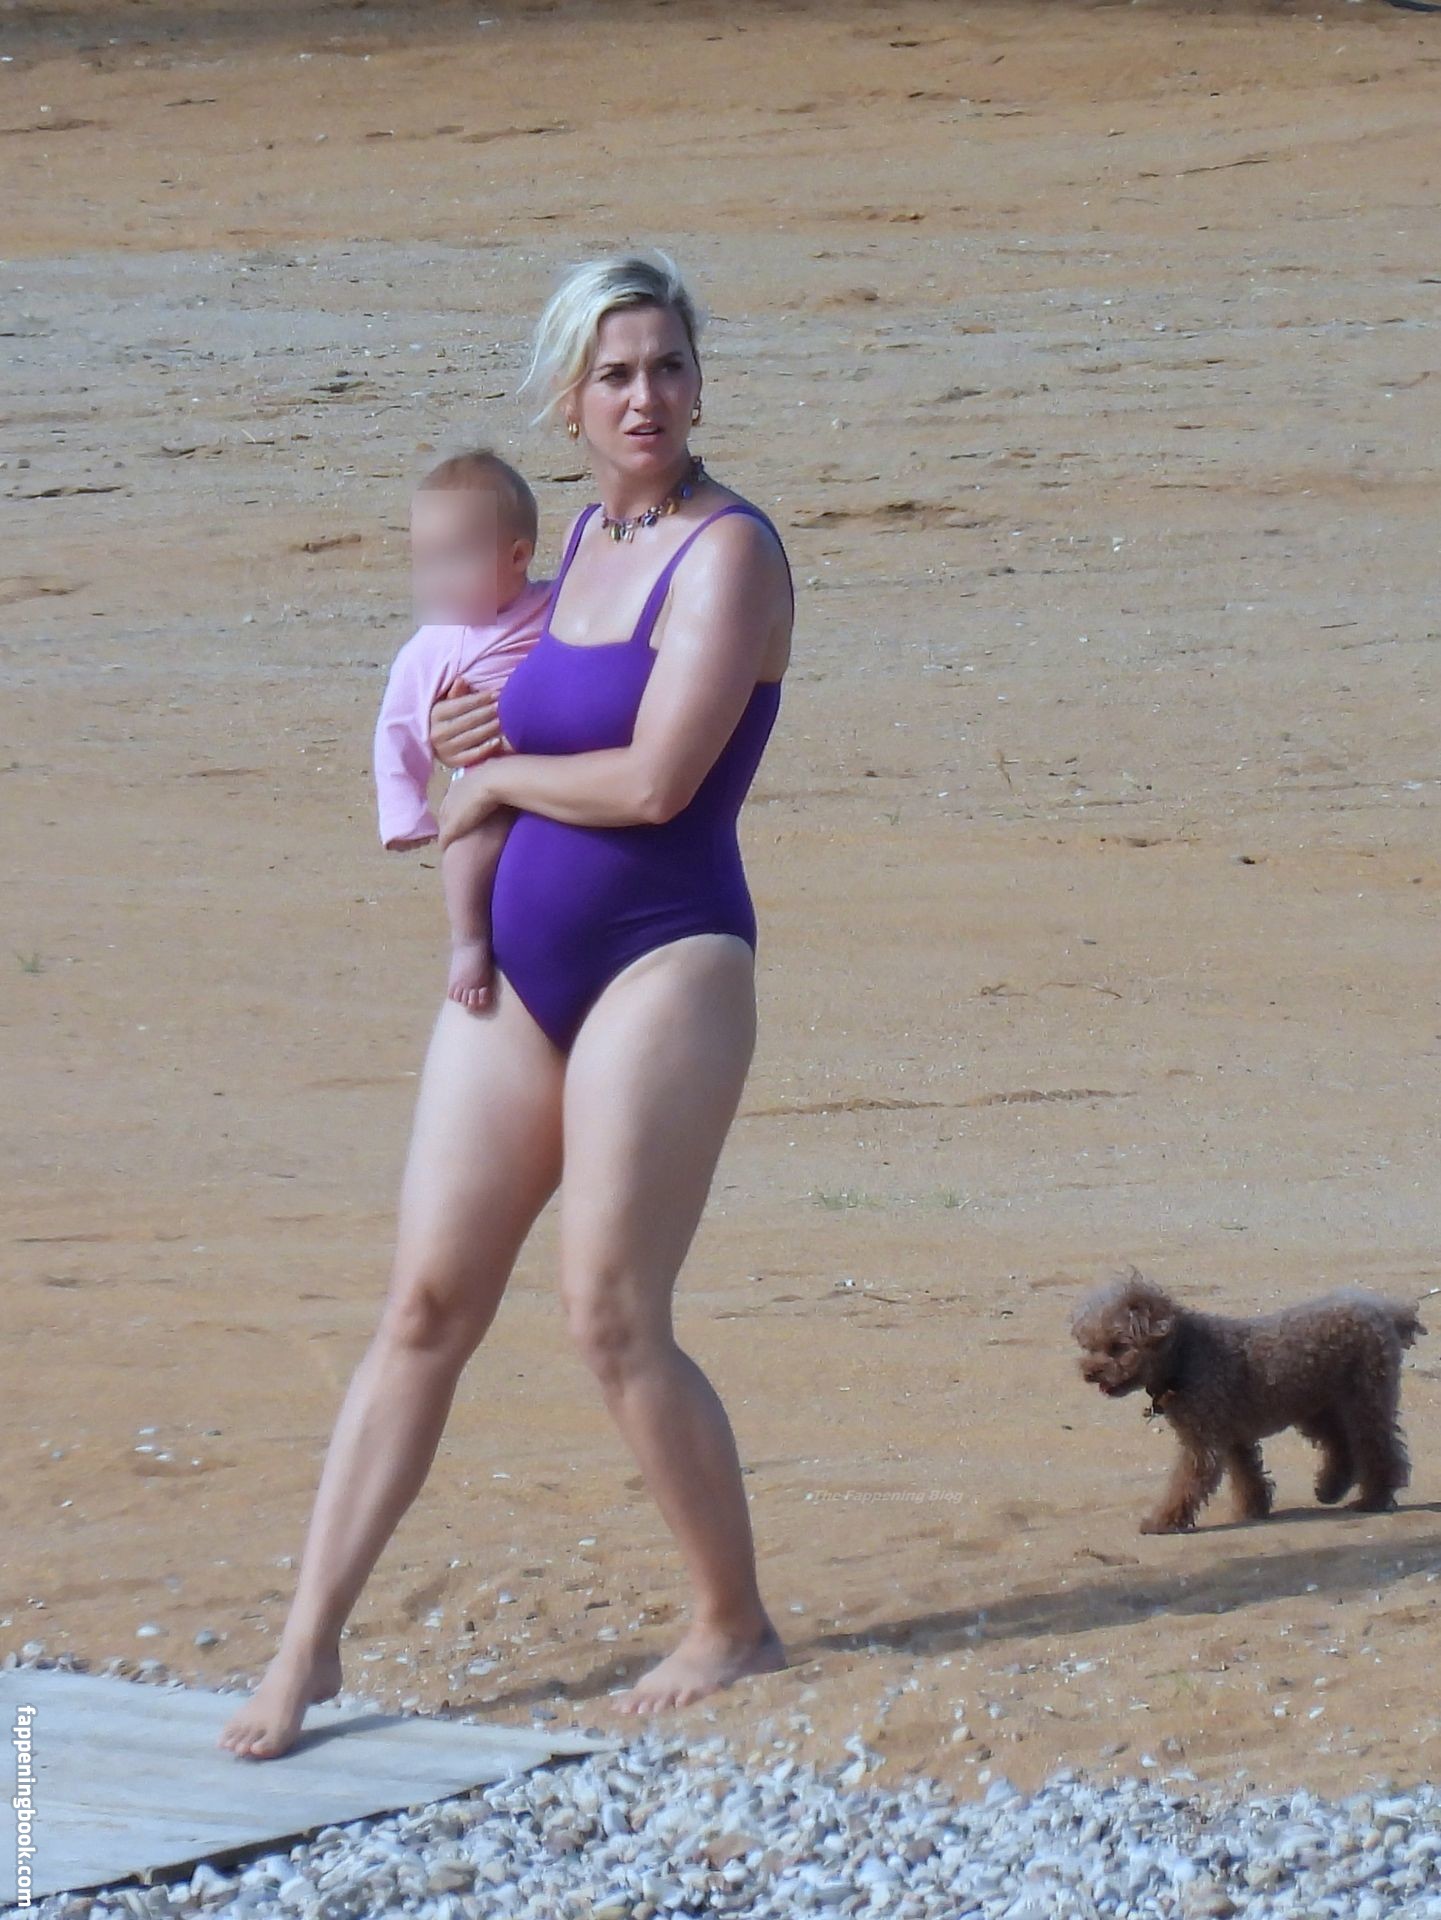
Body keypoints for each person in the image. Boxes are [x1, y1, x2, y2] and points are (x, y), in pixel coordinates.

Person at [218, 248, 794, 1762]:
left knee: (609, 1314)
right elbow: (513, 709)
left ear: (697, 385)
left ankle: (731, 1618)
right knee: (423, 1304)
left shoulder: (727, 553)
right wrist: (479, 732)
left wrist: (500, 780)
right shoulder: (578, 544)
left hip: (669, 958)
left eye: (667, 366)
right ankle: (307, 1646)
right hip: (516, 973)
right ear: (568, 400)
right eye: (614, 374)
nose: (644, 396)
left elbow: (656, 781)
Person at [373, 447, 551, 1013]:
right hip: (488, 776)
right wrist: (404, 809)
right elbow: (398, 727)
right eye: (424, 562)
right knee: (470, 841)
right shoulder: (435, 644)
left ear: (517, 555)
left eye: (454, 560)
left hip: (562, 767)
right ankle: (470, 941)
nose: (436, 580)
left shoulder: (557, 605)